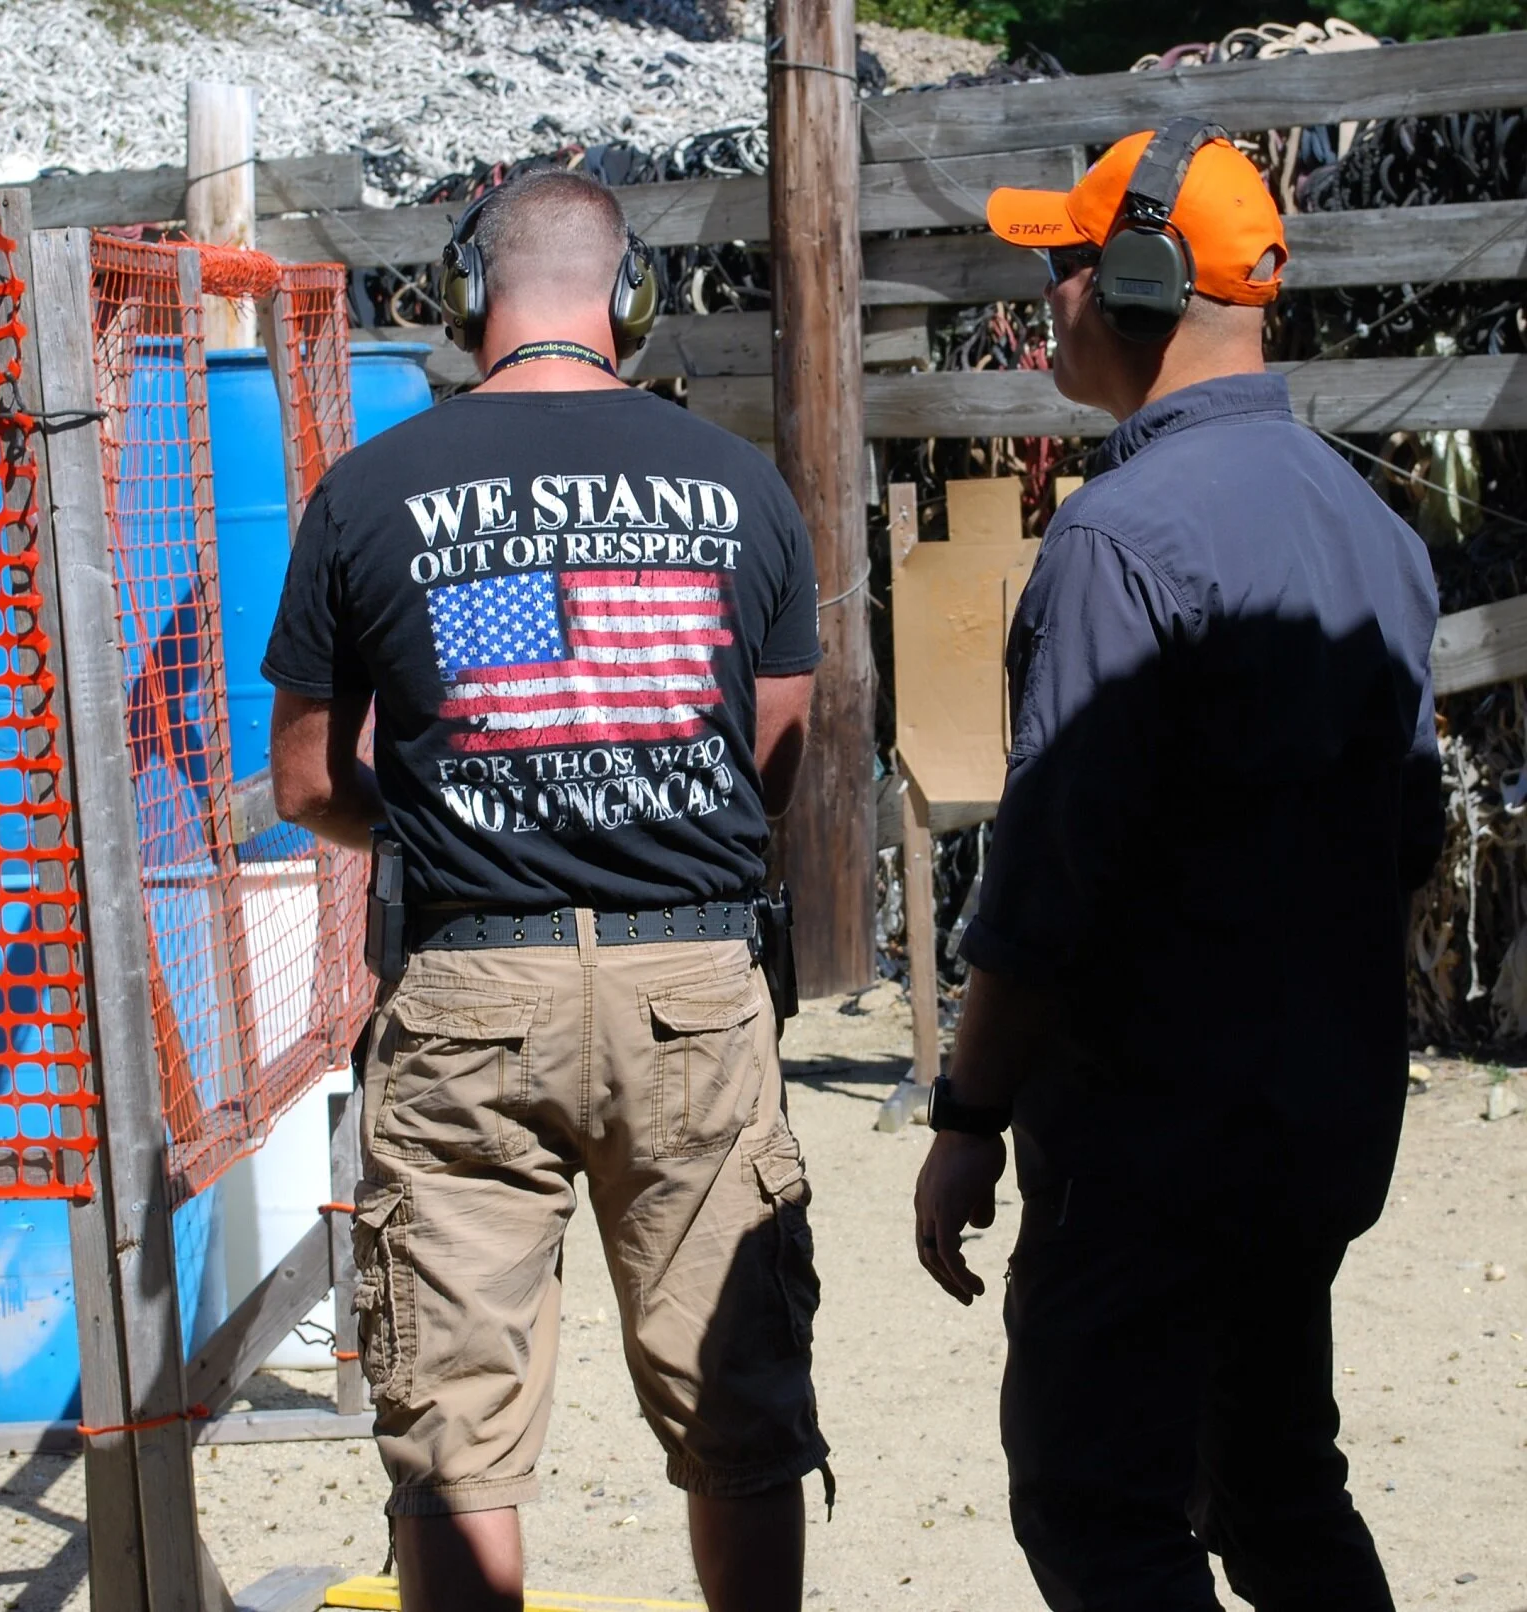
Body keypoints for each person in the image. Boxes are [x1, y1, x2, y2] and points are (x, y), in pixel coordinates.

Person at [262, 168, 829, 1612]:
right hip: (691, 987)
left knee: (454, 1438)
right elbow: (771, 755)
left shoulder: (371, 488)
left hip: (467, 987)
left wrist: (465, 815)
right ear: (627, 299)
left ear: (468, 301)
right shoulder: (740, 484)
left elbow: (310, 780)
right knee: (739, 1410)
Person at [911, 122, 1442, 1610]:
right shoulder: (1376, 532)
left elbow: (1044, 890)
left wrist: (968, 1119)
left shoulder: (1120, 544)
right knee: (1277, 1491)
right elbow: (1409, 843)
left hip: (1149, 1146)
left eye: (1065, 264)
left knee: (1093, 1508)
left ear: (1137, 278)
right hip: (1319, 1126)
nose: (1049, 299)